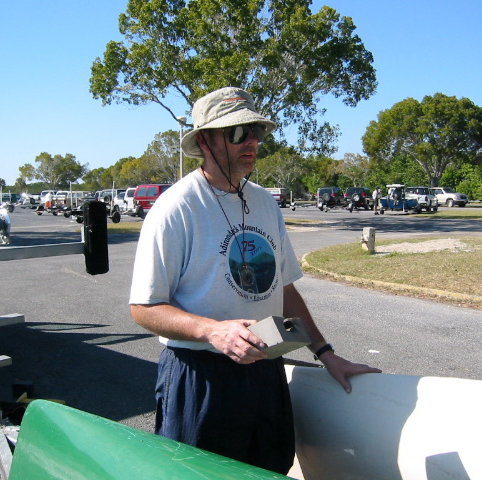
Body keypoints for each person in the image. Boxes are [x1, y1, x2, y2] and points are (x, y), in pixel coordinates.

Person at [129, 87, 381, 475]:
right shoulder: (176, 208)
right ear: (203, 141)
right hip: (200, 378)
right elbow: (143, 308)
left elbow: (284, 290)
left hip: (266, 370)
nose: (251, 141)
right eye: (236, 132)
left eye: (256, 132)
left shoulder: (265, 202)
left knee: (270, 470)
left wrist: (326, 353)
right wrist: (213, 331)